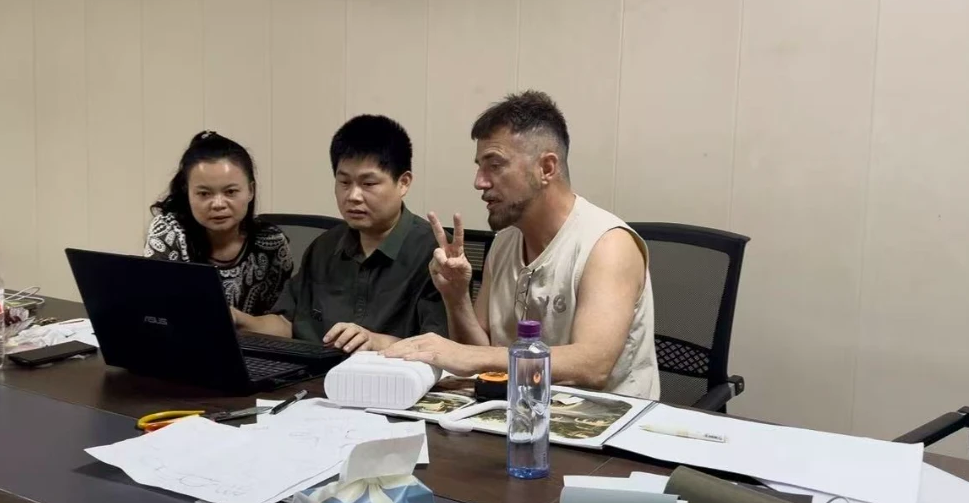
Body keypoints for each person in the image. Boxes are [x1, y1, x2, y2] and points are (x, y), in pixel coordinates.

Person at [384, 91, 661, 399]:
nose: (479, 181)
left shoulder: (608, 244)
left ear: (546, 168)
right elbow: (482, 357)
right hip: (520, 411)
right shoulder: (505, 241)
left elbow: (593, 366)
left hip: (605, 421)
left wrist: (468, 355)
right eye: (480, 167)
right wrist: (456, 296)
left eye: (495, 165)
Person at [234, 115, 447, 352]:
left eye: (368, 184)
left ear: (403, 183)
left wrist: (377, 342)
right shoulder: (324, 247)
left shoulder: (433, 252)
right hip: (313, 372)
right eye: (344, 182)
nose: (353, 196)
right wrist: (239, 320)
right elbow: (287, 323)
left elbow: (444, 347)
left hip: (392, 373)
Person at [145, 131, 294, 322]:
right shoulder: (169, 233)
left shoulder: (272, 243)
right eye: (204, 194)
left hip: (251, 339)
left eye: (230, 192)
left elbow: (280, 322)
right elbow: (156, 311)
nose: (218, 204)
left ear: (250, 191)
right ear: (187, 193)